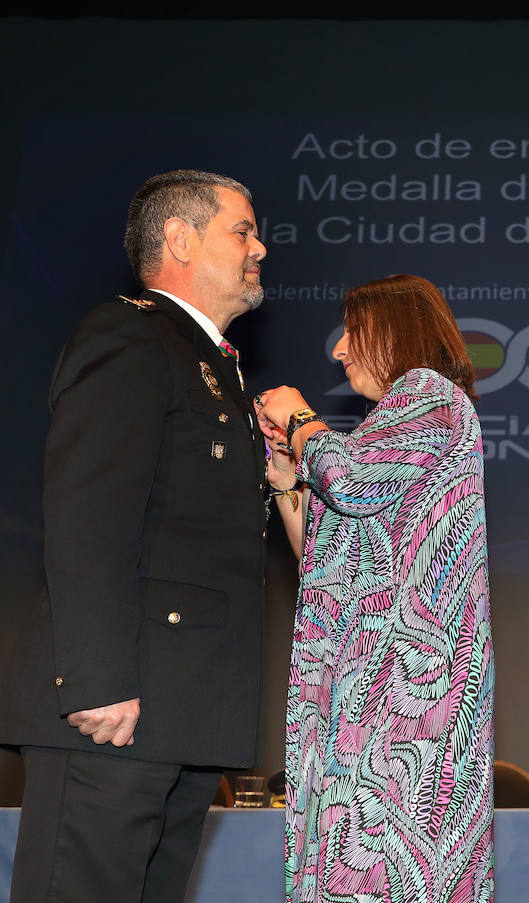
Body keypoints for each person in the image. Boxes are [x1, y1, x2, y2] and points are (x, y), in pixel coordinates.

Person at [0, 170, 268, 902]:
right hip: (114, 707)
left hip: (180, 712)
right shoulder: (131, 333)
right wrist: (96, 678)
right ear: (180, 238)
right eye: (242, 230)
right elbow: (89, 513)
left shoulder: (213, 364)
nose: (260, 248)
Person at [255, 274, 493, 903]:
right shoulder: (384, 429)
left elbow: (354, 484)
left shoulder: (430, 397)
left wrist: (300, 418)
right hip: (360, 694)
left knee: (384, 872)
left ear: (393, 331)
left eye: (352, 334)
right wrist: (286, 479)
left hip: (403, 700)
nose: (339, 352)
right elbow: (324, 563)